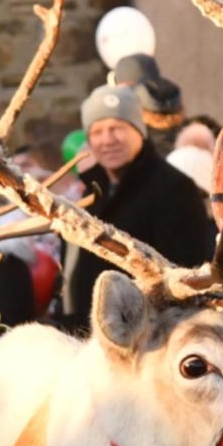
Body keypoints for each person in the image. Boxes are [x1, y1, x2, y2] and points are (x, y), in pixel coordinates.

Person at [55, 84, 213, 323]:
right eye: (97, 132)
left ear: (139, 131)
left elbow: (186, 274)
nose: (107, 140)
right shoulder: (89, 192)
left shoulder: (175, 189)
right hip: (89, 335)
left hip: (149, 334)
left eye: (117, 128)